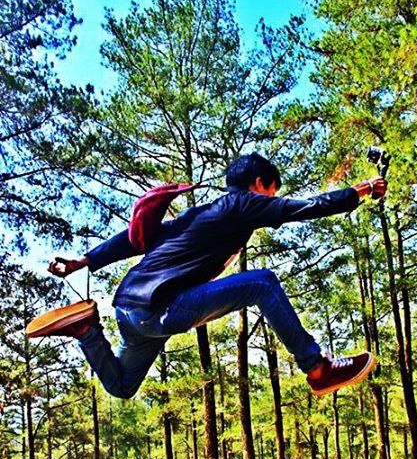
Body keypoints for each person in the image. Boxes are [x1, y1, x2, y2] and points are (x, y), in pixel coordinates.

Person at [33, 152, 387, 399]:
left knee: (123, 386)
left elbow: (138, 238)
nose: (270, 203)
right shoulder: (242, 203)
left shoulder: (200, 214)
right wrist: (364, 189)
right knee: (262, 283)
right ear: (259, 184)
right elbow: (308, 207)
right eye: (271, 194)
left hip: (128, 307)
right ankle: (318, 368)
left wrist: (85, 260)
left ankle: (85, 330)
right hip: (161, 308)